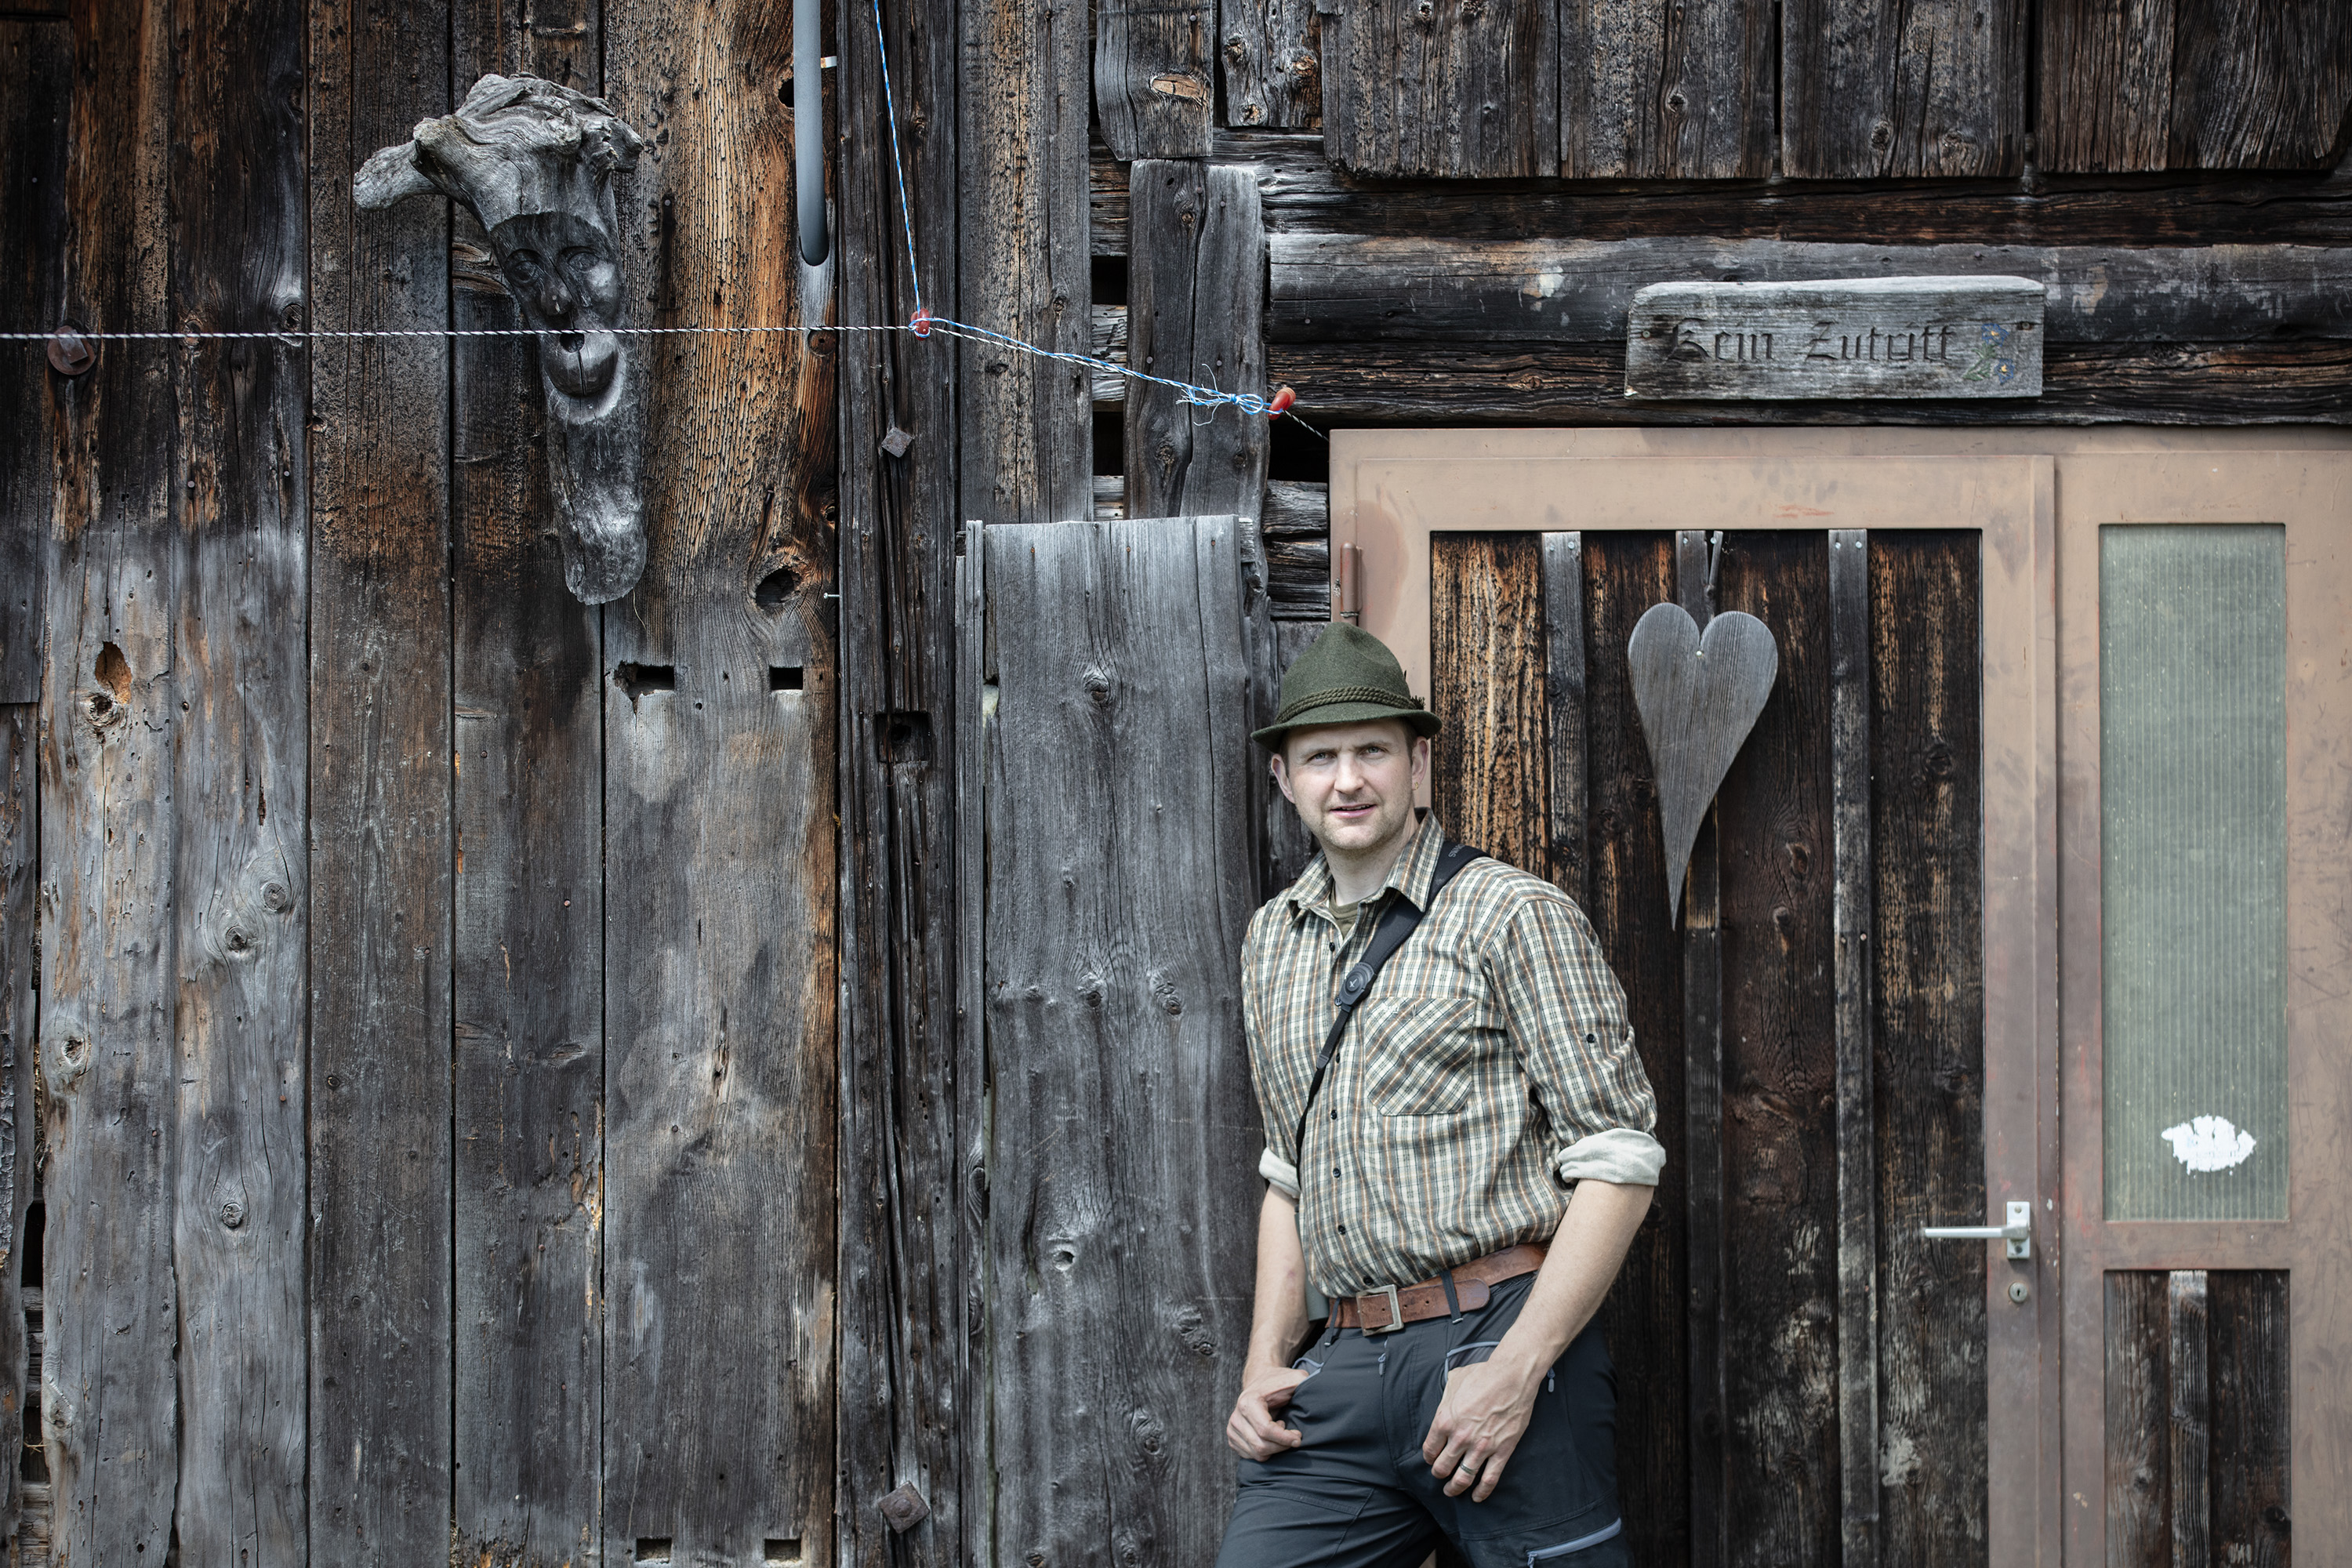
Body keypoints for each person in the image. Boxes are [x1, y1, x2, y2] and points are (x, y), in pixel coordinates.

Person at [1217, 622, 1664, 1568]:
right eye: (1321, 756)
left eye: (1372, 749)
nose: (1348, 779)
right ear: (1283, 778)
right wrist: (1265, 1357)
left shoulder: (1513, 914)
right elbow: (1290, 1173)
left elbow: (1618, 1161)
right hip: (1337, 1369)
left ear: (1418, 760)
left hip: (1498, 1340)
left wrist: (1515, 1370)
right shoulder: (1271, 942)